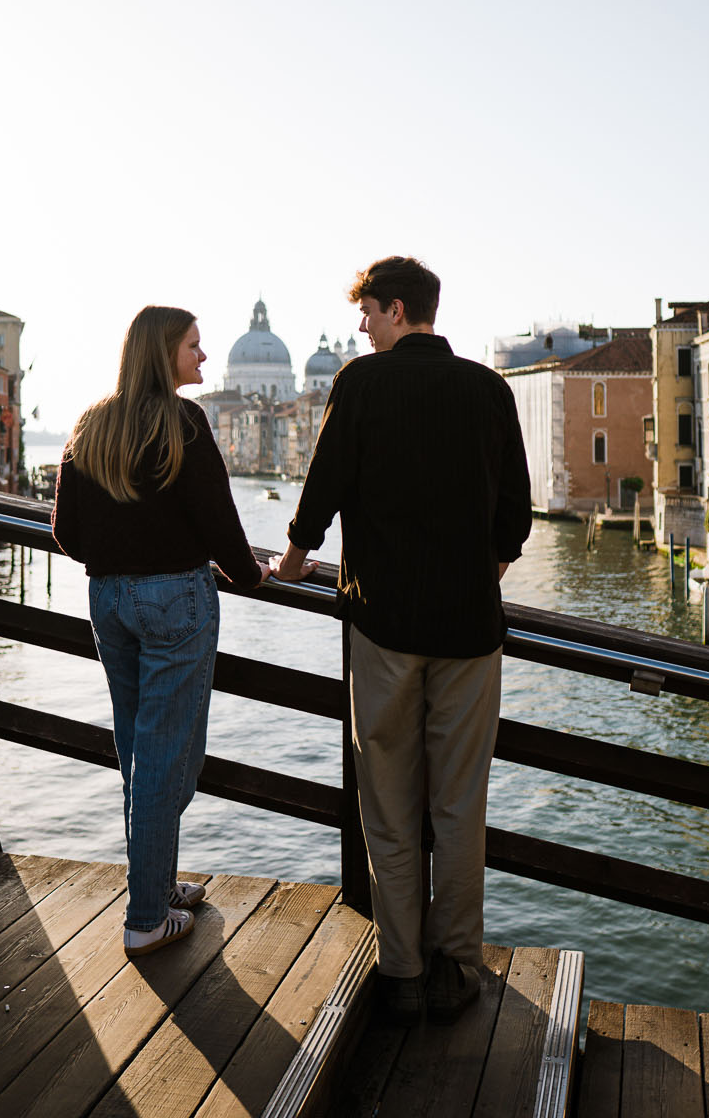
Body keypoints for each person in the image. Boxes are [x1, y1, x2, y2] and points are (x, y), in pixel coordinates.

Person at [267, 256, 530, 1023]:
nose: (361, 326)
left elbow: (322, 489)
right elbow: (514, 519)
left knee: (386, 800)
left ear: (397, 309)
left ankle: (404, 969)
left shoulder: (361, 383)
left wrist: (289, 562)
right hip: (471, 631)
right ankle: (460, 965)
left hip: (382, 627)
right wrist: (478, 578)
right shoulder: (488, 390)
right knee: (458, 804)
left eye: (368, 312)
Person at [52, 306, 272, 957]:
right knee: (166, 759)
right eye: (194, 346)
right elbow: (220, 525)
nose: (204, 358)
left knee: (139, 751)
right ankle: (147, 916)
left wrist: (118, 555)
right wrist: (251, 575)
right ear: (162, 353)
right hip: (174, 600)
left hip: (110, 599)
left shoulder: (92, 423)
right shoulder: (185, 424)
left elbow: (66, 531)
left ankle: (157, 884)